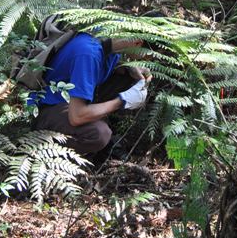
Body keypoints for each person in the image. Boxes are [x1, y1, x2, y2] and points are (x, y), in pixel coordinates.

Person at [28, 30, 150, 158]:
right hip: (48, 110)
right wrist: (122, 101)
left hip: (70, 100)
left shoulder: (111, 38)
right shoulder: (88, 53)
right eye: (148, 56)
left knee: (126, 76)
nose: (147, 60)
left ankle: (99, 124)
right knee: (99, 135)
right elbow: (77, 117)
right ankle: (49, 152)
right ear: (137, 43)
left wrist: (127, 68)